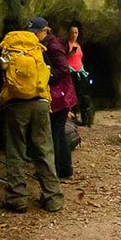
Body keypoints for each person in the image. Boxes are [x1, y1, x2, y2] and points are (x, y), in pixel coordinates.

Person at [0, 17, 65, 213]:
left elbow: (3, 75)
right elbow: (50, 72)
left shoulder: (9, 47)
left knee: (16, 151)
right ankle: (53, 198)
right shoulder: (39, 50)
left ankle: (17, 198)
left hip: (15, 104)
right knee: (44, 150)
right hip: (40, 103)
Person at [40, 18, 78, 178]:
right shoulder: (52, 44)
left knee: (54, 133)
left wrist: (47, 76)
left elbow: (63, 68)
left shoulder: (52, 45)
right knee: (60, 132)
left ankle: (54, 170)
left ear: (45, 31)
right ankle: (65, 168)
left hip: (60, 95)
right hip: (63, 95)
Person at [66, 20, 93, 126]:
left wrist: (82, 69)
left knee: (80, 95)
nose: (74, 34)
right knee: (71, 94)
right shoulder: (66, 44)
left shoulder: (78, 45)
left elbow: (79, 59)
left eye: (76, 32)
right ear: (69, 33)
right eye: (72, 32)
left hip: (79, 73)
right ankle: (72, 115)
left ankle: (82, 115)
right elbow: (63, 58)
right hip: (70, 72)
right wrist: (71, 53)